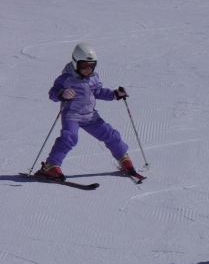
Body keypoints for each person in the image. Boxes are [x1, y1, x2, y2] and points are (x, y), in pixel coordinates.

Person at [36, 43, 136, 181]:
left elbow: (98, 91)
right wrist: (62, 93)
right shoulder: (65, 78)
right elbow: (52, 93)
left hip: (90, 115)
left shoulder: (93, 77)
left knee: (110, 134)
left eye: (91, 66)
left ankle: (123, 158)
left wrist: (115, 94)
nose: (88, 70)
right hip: (72, 115)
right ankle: (51, 166)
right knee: (69, 138)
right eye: (84, 66)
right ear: (75, 63)